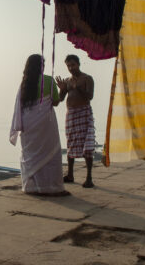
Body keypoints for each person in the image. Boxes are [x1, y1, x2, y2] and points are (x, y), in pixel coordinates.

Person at [10, 54, 70, 196]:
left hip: (28, 125)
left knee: (30, 155)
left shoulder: (24, 84)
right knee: (51, 154)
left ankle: (32, 187)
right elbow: (55, 102)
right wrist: (63, 90)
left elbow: (21, 107)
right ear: (41, 66)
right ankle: (52, 187)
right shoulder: (48, 80)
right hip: (45, 125)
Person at [56, 54, 95, 188]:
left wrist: (77, 87)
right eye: (68, 66)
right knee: (71, 143)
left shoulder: (87, 78)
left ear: (78, 64)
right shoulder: (67, 81)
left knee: (87, 145)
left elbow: (90, 96)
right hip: (71, 114)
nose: (71, 68)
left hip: (84, 113)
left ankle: (89, 177)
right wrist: (62, 89)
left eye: (73, 65)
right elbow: (60, 99)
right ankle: (70, 174)